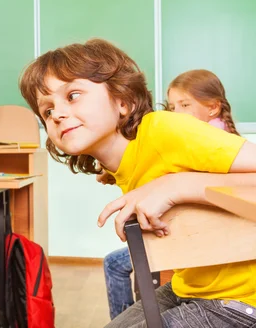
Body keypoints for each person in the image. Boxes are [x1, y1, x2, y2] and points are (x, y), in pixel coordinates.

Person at [19, 39, 256, 327]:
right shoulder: (122, 165)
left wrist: (176, 186)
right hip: (191, 287)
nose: (56, 114)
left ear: (123, 101)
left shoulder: (163, 129)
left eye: (72, 95)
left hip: (242, 299)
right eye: (47, 110)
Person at [101, 68, 241, 320]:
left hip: (211, 259)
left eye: (185, 104)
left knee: (118, 263)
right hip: (191, 256)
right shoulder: (175, 141)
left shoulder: (212, 144)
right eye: (172, 106)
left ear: (213, 108)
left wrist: (177, 185)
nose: (176, 113)